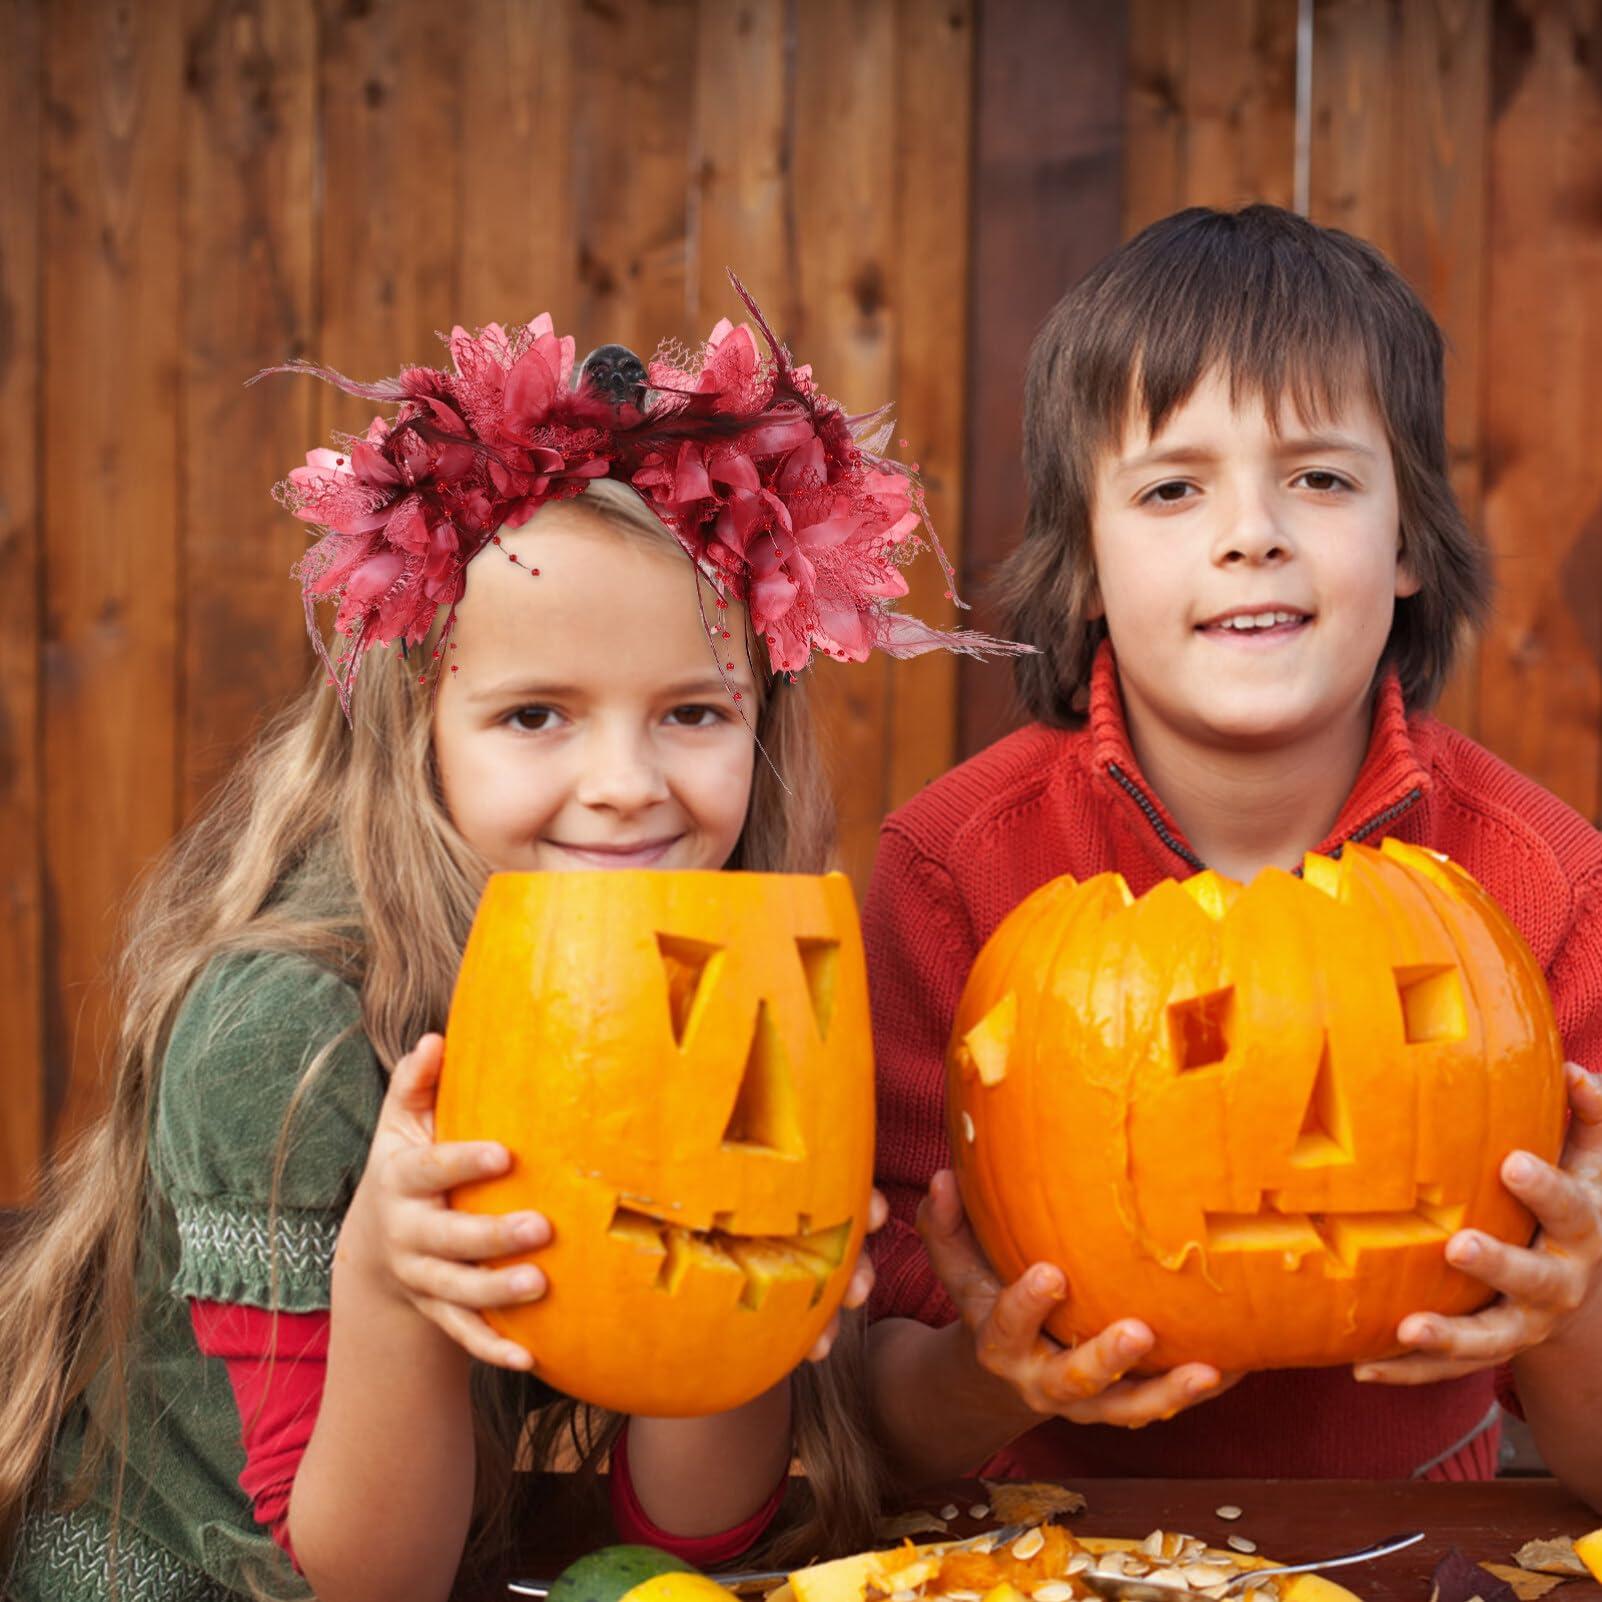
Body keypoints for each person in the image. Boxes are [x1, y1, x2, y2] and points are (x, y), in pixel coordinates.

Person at [0, 289, 1022, 1602]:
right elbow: (367, 1584)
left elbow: (685, 1540)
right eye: (537, 713)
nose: (623, 784)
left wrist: (739, 1293)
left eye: (692, 713)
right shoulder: (283, 1031)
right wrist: (387, 1277)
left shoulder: (720, 996)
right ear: (418, 723)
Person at [863, 205, 1602, 1508]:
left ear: (1410, 540)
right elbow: (874, 1418)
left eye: (1317, 476)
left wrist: (1570, 1301)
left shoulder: (1546, 881)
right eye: (1169, 487)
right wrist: (1001, 1370)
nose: (1250, 530)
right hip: (1040, 1548)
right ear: (1082, 561)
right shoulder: (948, 870)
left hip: (1418, 1550)